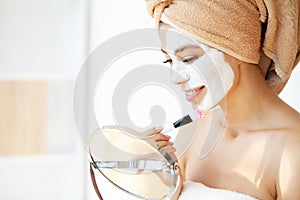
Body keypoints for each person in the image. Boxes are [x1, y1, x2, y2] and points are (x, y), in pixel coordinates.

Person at [144, 0, 300, 199]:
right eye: (169, 60)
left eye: (189, 59)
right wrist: (164, 185)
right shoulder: (191, 131)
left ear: (238, 46)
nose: (175, 77)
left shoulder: (294, 151)